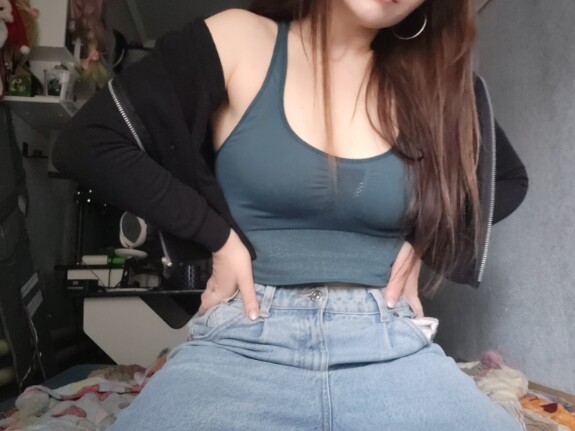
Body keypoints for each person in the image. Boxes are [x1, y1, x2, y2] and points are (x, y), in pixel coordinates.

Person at [52, 0, 528, 429]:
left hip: (388, 339)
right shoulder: (239, 38)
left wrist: (426, 242)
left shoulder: (435, 84)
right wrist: (217, 236)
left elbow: (508, 180)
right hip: (246, 335)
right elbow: (88, 142)